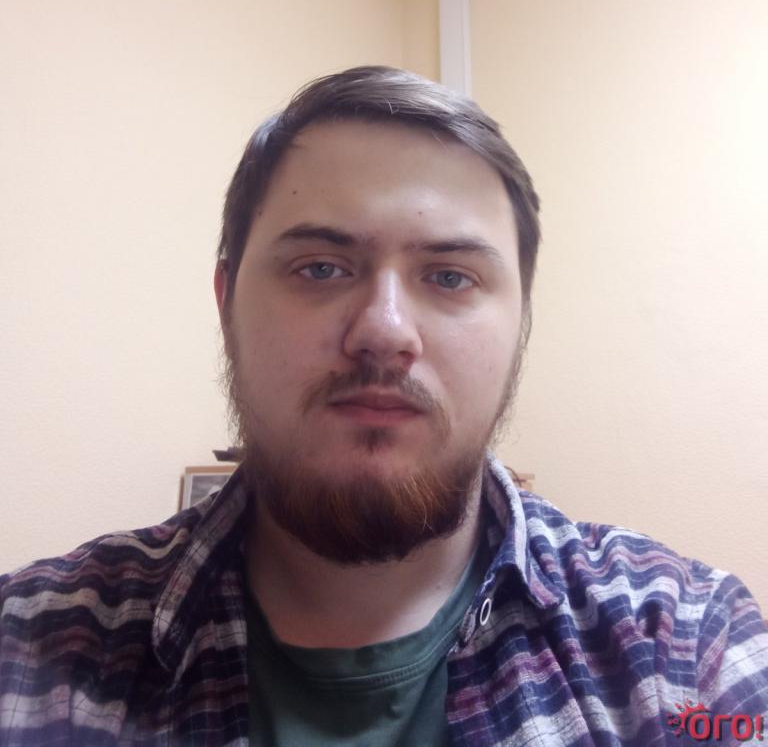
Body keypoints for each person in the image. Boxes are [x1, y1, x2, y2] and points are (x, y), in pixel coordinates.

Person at [1, 66, 766, 747]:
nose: (385, 332)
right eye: (320, 267)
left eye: (451, 277)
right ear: (227, 302)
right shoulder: (31, 642)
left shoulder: (687, 644)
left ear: (521, 322)